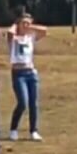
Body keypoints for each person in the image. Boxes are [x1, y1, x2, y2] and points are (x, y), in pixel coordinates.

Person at [7, 13, 47, 141]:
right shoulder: (13, 38)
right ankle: (13, 129)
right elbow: (9, 31)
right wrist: (17, 24)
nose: (25, 26)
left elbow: (44, 31)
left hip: (31, 72)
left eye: (28, 23)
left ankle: (33, 131)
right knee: (22, 102)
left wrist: (30, 26)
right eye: (23, 23)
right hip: (18, 73)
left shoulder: (31, 37)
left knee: (33, 103)